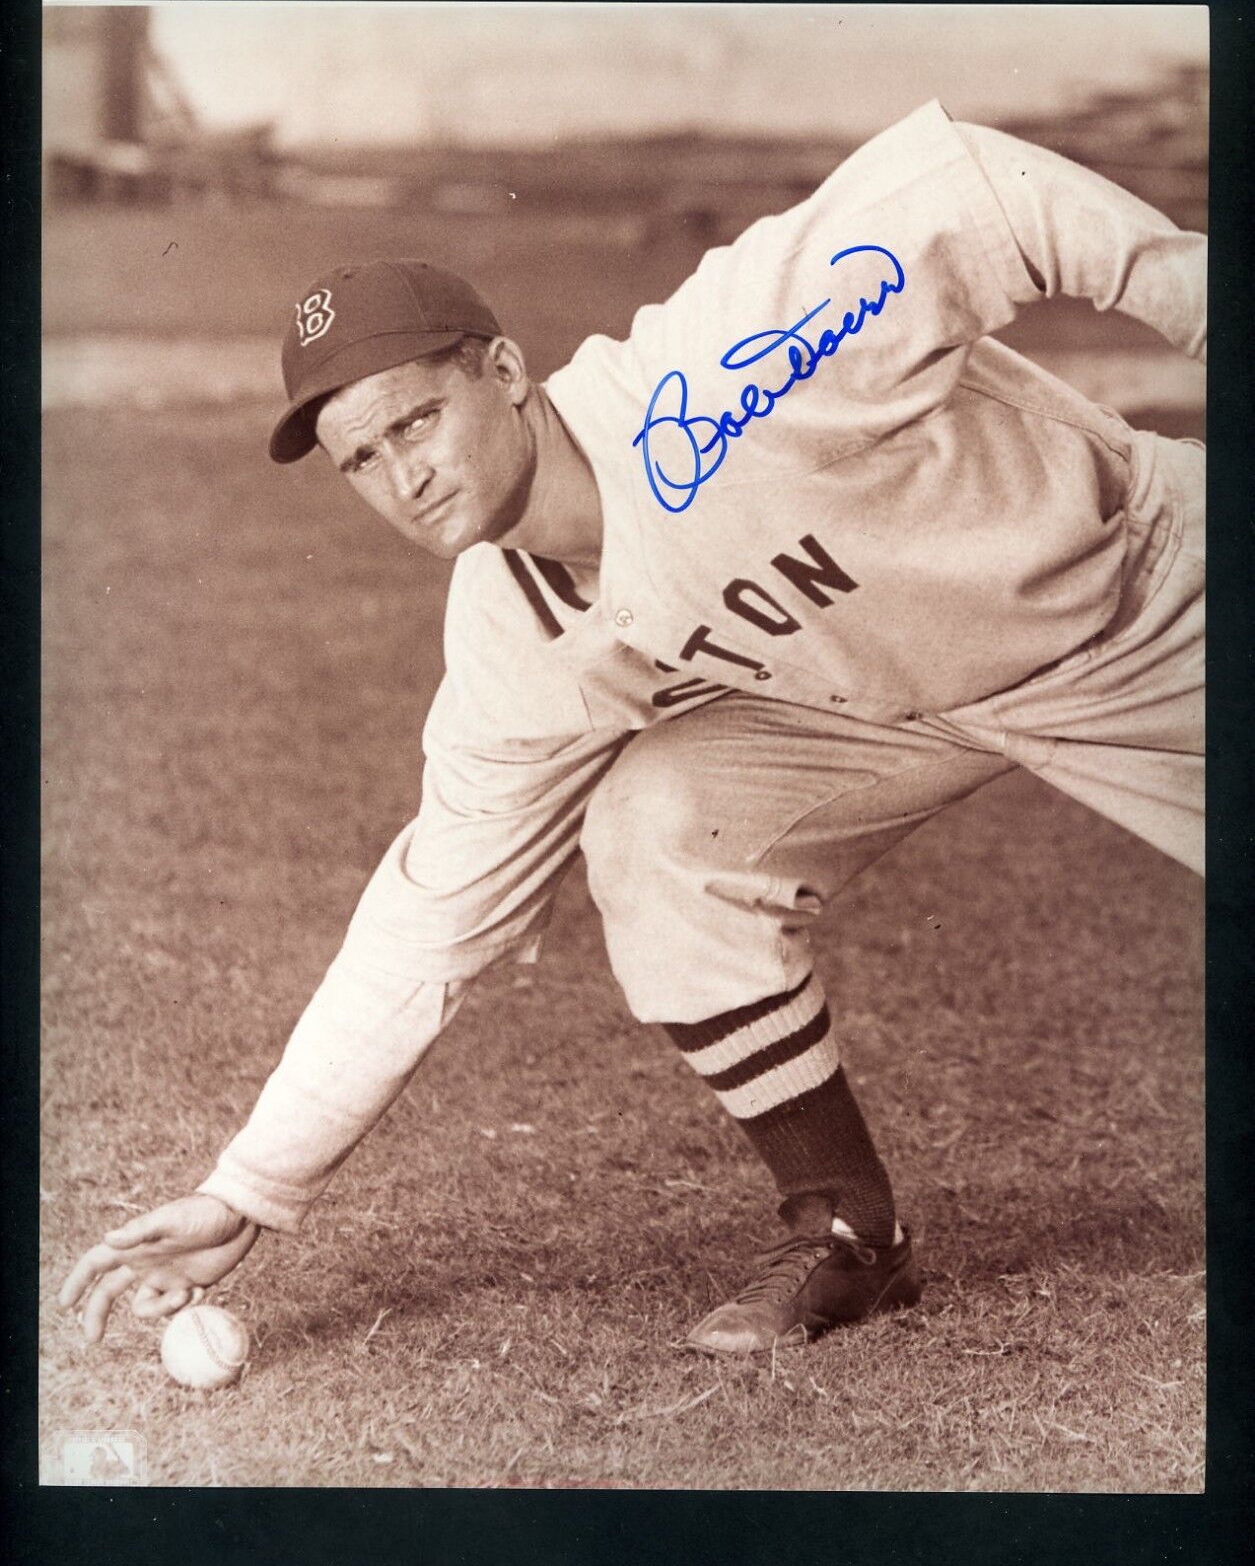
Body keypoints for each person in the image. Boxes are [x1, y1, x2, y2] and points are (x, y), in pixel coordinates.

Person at [60, 101, 1205, 1356]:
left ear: (501, 373)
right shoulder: (512, 631)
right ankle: (843, 1234)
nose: (405, 477)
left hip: (1142, 597)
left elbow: (972, 185)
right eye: (363, 459)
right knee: (661, 830)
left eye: (417, 421)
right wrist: (250, 1189)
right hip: (893, 700)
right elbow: (434, 917)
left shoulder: (721, 372)